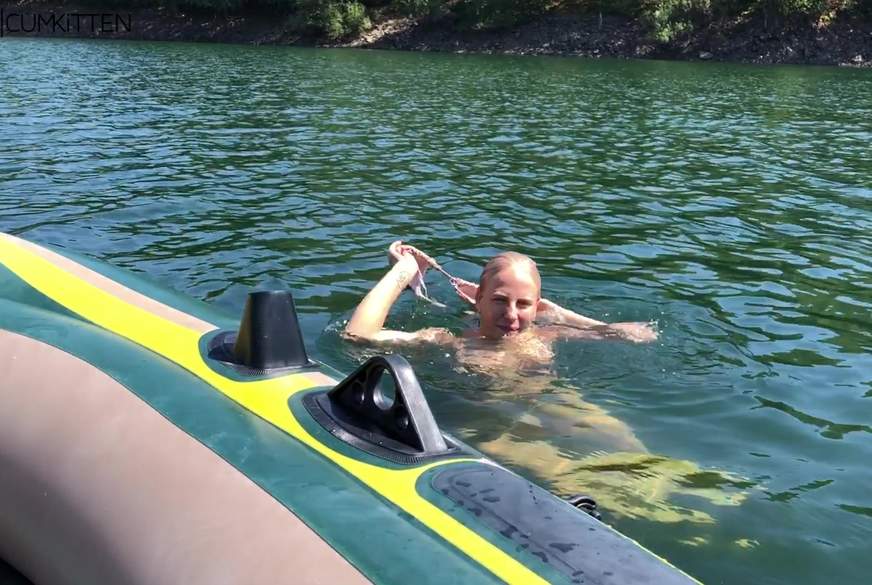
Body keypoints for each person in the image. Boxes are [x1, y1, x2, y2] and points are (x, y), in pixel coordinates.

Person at [344, 241, 658, 348]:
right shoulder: (450, 340)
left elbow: (641, 335)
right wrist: (404, 271)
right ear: (479, 299)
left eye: (523, 304)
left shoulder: (549, 334)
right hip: (502, 429)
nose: (511, 315)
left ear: (538, 307)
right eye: (499, 300)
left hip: (565, 407)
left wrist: (561, 315)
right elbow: (358, 334)